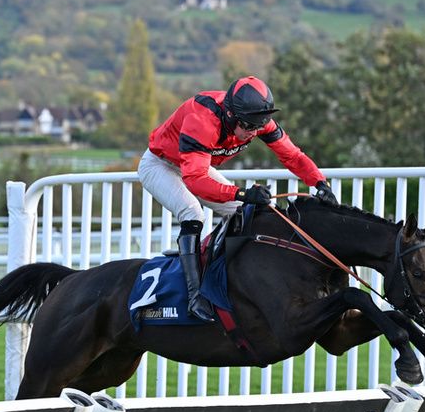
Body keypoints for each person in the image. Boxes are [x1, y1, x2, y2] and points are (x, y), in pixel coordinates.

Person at [138, 76, 338, 322]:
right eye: (248, 126)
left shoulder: (255, 117)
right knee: (193, 213)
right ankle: (194, 296)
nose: (252, 133)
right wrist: (242, 193)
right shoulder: (201, 120)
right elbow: (195, 181)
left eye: (257, 127)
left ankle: (236, 280)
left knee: (247, 211)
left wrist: (319, 182)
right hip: (160, 165)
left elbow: (293, 156)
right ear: (230, 115)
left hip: (193, 163)